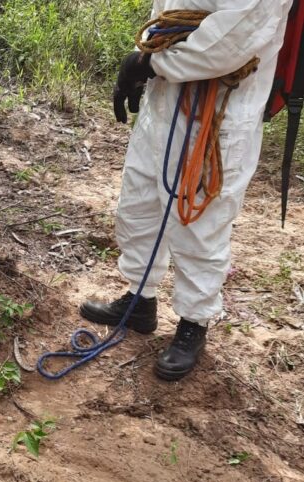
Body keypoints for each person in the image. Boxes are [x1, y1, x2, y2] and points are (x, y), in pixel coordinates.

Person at [80, 0, 293, 380]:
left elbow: (233, 37)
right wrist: (140, 60)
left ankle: (193, 323)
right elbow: (167, 13)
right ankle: (139, 299)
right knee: (139, 205)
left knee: (200, 224)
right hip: (163, 101)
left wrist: (148, 64)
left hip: (219, 110)